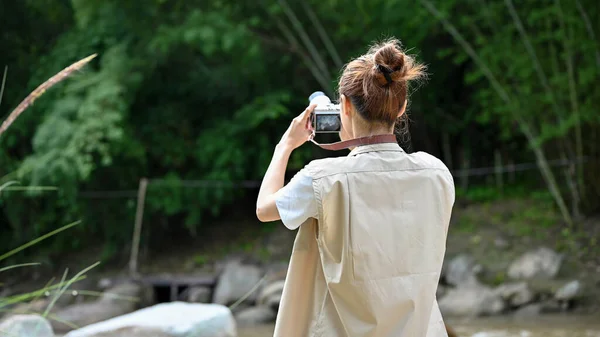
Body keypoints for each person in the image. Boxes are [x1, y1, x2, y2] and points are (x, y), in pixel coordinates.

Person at [256, 38, 455, 337]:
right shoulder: (436, 174)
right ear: (401, 107)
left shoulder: (324, 179)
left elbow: (264, 209)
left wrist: (285, 145)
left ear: (344, 107)